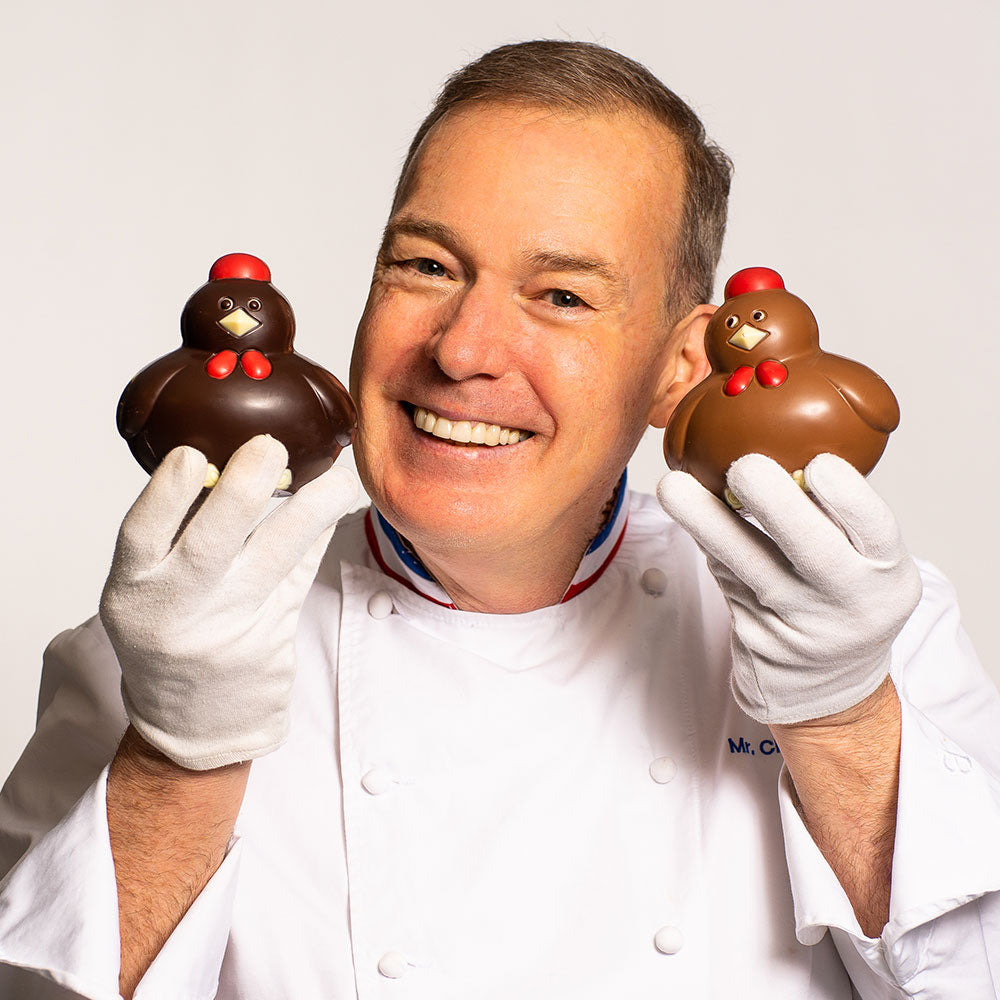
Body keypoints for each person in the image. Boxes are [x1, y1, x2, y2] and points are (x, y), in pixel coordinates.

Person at [1, 40, 999, 1000]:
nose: (464, 349)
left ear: (679, 370)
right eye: (427, 266)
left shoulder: (860, 630)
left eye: (560, 294)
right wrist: (179, 753)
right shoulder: (159, 654)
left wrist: (839, 713)